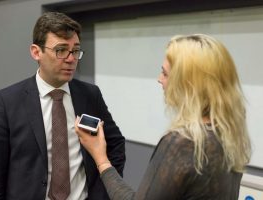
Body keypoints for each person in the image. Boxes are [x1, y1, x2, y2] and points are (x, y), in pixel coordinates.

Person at [75, 34, 252, 200]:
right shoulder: (230, 135)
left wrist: (100, 158)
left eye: (165, 73)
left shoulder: (184, 143)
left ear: (188, 84)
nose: (160, 79)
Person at [0, 12, 125, 200]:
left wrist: (102, 195)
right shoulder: (7, 102)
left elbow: (116, 146)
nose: (71, 59)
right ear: (36, 52)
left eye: (75, 51)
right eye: (61, 50)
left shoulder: (90, 95)